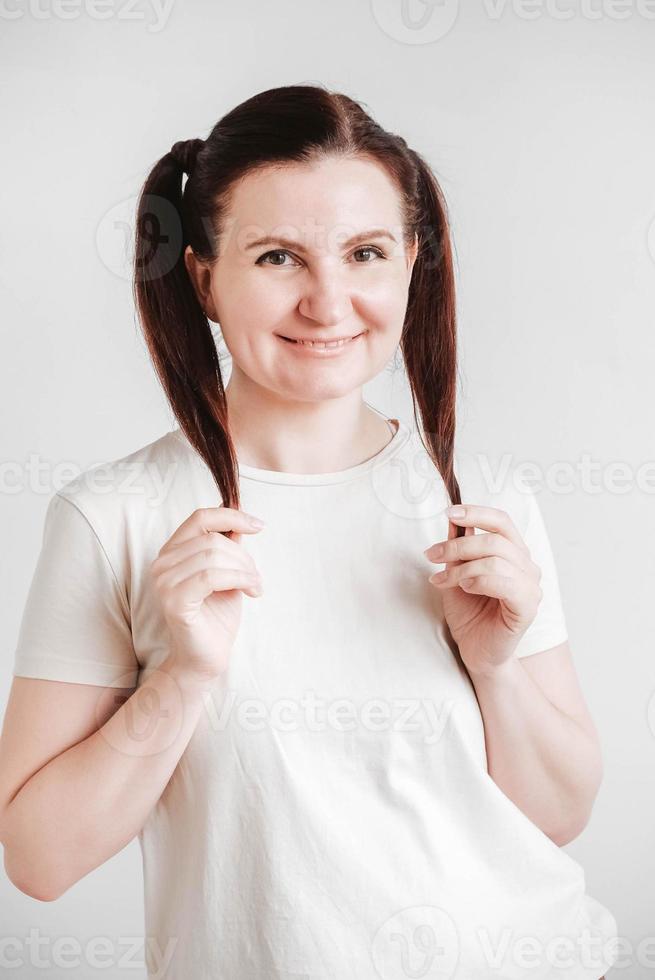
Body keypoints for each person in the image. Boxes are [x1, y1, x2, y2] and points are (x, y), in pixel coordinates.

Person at [0, 84, 617, 979]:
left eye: (364, 253)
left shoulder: (485, 499)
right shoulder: (115, 519)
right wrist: (178, 680)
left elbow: (558, 817)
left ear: (409, 262)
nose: (328, 304)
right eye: (279, 257)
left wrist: (495, 669)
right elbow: (38, 861)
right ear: (204, 277)